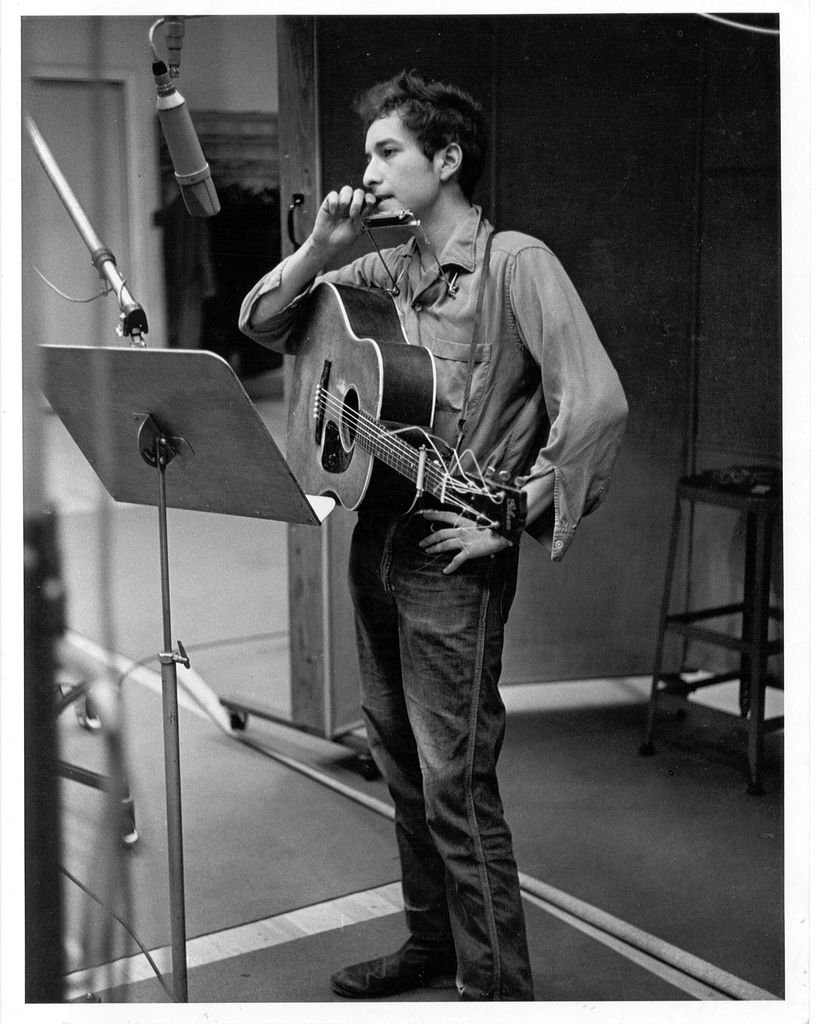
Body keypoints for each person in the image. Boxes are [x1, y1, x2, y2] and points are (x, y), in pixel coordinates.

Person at [239, 69, 628, 1002]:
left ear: (445, 158)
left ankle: (497, 989)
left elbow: (598, 404)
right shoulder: (384, 266)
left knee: (454, 779)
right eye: (367, 153)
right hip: (375, 533)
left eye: (386, 152)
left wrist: (513, 516)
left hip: (453, 557)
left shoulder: (514, 265)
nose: (366, 171)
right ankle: (431, 946)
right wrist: (319, 248)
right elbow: (265, 324)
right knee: (398, 761)